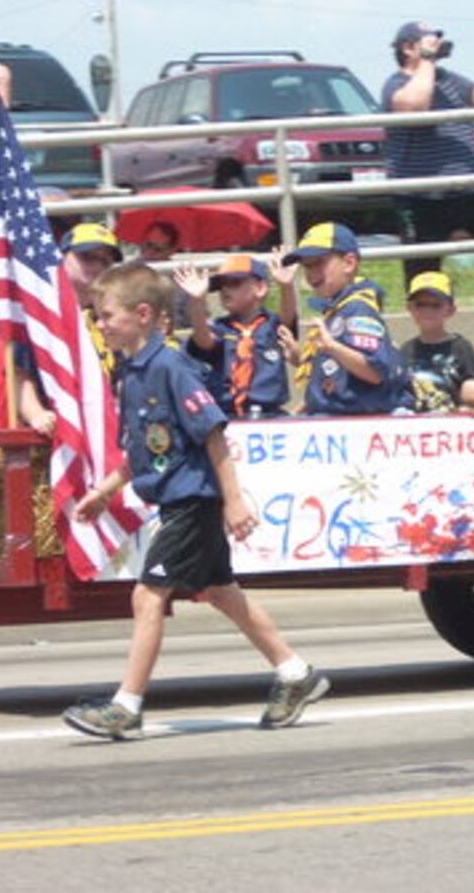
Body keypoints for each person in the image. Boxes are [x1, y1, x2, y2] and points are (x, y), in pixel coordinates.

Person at [62, 262, 329, 740]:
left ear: (143, 314)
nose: (100, 324)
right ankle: (294, 673)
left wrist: (233, 503)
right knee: (224, 595)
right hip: (176, 501)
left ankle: (127, 706)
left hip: (193, 502)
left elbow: (213, 436)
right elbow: (146, 449)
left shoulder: (170, 367)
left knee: (147, 595)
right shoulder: (133, 372)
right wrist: (105, 491)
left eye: (106, 316)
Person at [381, 21, 474, 283]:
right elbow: (415, 106)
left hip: (471, 191)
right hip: (422, 198)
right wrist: (427, 60)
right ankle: (426, 315)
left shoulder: (448, 78)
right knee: (423, 274)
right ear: (408, 48)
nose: (437, 44)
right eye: (428, 40)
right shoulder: (396, 84)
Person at [278, 221, 411, 416]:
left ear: (349, 263)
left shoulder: (358, 309)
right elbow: (337, 371)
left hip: (358, 424)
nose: (311, 273)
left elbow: (374, 372)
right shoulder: (337, 309)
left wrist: (332, 347)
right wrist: (301, 359)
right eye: (307, 266)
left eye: (318, 263)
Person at [16, 223, 123, 435]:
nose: (96, 266)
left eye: (105, 261)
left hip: (104, 428)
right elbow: (19, 374)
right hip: (54, 432)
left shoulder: (115, 316)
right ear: (62, 257)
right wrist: (36, 414)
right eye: (87, 257)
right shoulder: (40, 313)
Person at [176, 251, 298, 419]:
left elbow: (287, 318)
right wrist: (196, 301)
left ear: (260, 288)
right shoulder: (220, 327)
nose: (225, 290)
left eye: (235, 283)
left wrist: (286, 286)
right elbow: (203, 340)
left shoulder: (270, 324)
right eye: (221, 285)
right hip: (228, 414)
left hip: (270, 414)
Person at [401, 270, 474, 413]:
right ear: (409, 308)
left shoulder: (460, 347)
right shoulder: (406, 350)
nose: (428, 310)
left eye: (435, 305)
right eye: (420, 304)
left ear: (451, 310)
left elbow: (473, 388)